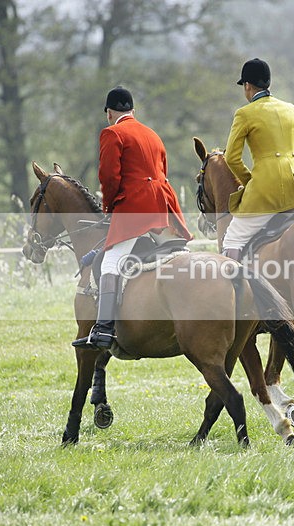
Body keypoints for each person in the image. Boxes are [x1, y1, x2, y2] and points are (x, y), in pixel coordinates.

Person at [73, 85, 193, 350]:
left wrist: (110, 208)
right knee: (180, 257)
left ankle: (103, 329)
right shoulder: (153, 134)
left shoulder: (112, 133)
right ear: (133, 111)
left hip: (136, 209)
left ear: (109, 113)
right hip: (164, 207)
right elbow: (162, 172)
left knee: (111, 262)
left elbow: (109, 177)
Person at [221, 58, 294, 261]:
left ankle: (234, 291)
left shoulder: (244, 113)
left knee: (233, 239)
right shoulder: (290, 109)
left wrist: (251, 182)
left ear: (247, 86)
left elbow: (231, 158)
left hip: (266, 190)